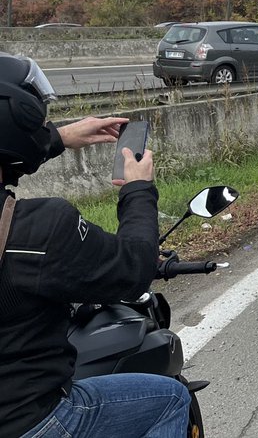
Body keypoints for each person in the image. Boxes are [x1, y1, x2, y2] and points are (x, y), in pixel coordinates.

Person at [0, 54, 193, 438]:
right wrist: (138, 190)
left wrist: (57, 137)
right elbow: (134, 269)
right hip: (28, 420)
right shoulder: (40, 229)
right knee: (170, 399)